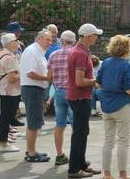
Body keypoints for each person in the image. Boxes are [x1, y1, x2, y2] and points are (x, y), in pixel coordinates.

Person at [97, 35, 130, 179]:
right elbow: (129, 89)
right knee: (123, 141)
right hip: (122, 105)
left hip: (106, 105)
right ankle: (123, 174)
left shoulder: (105, 63)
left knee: (108, 140)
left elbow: (98, 83)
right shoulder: (127, 65)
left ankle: (107, 174)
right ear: (127, 49)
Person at [67, 23, 103, 179]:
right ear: (89, 36)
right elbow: (80, 81)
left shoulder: (81, 50)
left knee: (82, 132)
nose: (97, 37)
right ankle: (74, 169)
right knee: (80, 133)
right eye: (95, 35)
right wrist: (96, 81)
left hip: (79, 96)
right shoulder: (80, 53)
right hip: (79, 96)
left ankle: (81, 164)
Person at [19, 29, 52, 163]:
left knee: (35, 122)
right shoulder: (33, 51)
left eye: (51, 40)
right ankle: (31, 153)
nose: (50, 42)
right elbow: (30, 73)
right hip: (32, 89)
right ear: (39, 38)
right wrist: (47, 78)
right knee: (33, 123)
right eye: (47, 39)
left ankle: (31, 150)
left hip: (35, 89)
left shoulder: (37, 51)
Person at [47, 29, 76, 166]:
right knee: (76, 126)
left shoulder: (53, 54)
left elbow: (49, 77)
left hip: (58, 92)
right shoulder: (77, 54)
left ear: (62, 41)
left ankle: (59, 154)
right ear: (74, 41)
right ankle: (76, 155)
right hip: (73, 92)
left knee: (59, 125)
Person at [0, 33, 22, 152]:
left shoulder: (5, 54)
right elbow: (11, 78)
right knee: (6, 117)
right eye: (16, 40)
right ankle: (3, 144)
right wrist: (24, 75)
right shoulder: (8, 57)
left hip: (7, 90)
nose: (18, 42)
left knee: (5, 117)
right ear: (10, 43)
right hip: (8, 91)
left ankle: (3, 142)